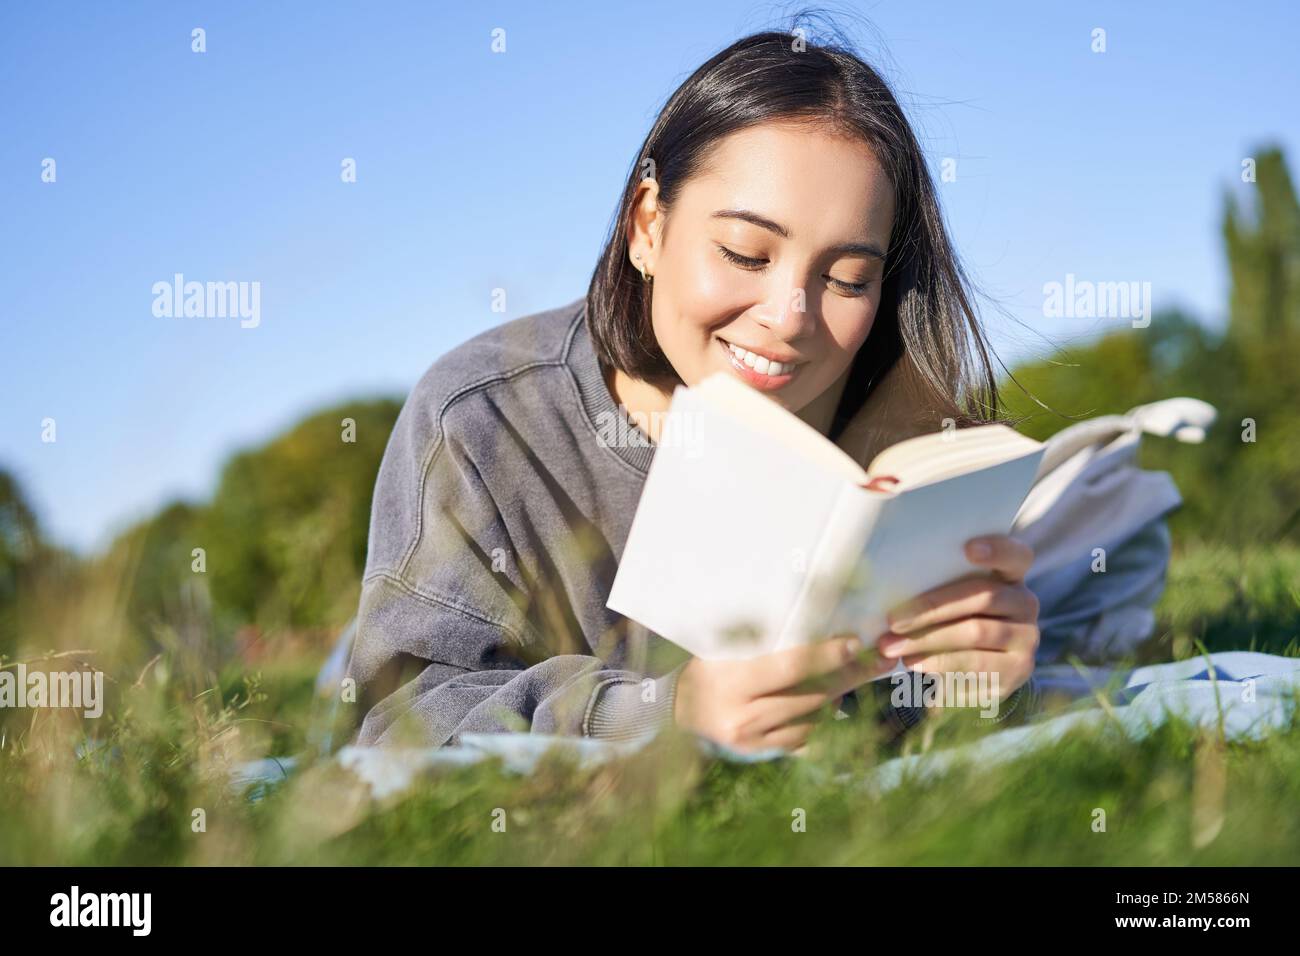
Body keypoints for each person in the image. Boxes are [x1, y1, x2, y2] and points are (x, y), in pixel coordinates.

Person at [345, 27, 1040, 754]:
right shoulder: (483, 417)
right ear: (648, 225)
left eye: (847, 279)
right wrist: (663, 712)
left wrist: (983, 678)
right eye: (745, 253)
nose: (789, 319)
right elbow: (395, 720)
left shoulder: (897, 454)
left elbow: (923, 734)